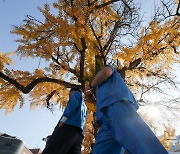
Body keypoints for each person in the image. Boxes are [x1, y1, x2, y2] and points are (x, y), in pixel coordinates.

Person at [85, 65, 168, 154]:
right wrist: (94, 100)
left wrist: (90, 85)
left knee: (143, 146)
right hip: (106, 119)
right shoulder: (102, 89)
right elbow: (104, 101)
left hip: (118, 108)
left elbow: (105, 73)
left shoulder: (109, 69)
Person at [42, 88, 87, 154]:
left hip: (68, 127)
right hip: (79, 134)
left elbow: (73, 105)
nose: (69, 94)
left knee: (52, 149)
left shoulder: (76, 94)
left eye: (70, 93)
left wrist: (64, 119)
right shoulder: (84, 107)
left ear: (73, 91)